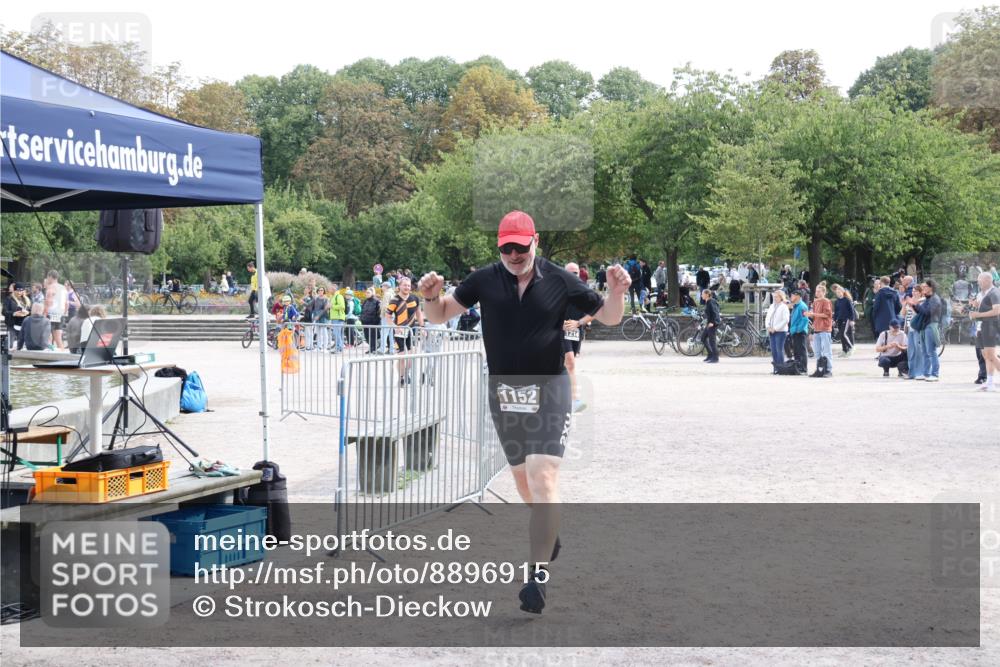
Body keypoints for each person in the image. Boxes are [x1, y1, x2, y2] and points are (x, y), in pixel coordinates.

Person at [417, 210, 628, 615]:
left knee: (542, 474)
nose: (514, 254)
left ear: (535, 243)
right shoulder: (484, 279)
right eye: (506, 248)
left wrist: (616, 292)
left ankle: (537, 575)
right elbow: (440, 314)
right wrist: (429, 296)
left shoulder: (559, 279)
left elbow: (609, 316)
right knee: (523, 483)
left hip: (550, 389)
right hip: (505, 394)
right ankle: (549, 533)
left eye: (521, 246)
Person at [562, 263, 594, 413]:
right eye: (569, 273)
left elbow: (595, 312)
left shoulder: (583, 291)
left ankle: (566, 396)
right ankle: (574, 399)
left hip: (575, 331)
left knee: (569, 364)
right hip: (559, 331)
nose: (573, 276)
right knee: (570, 362)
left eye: (575, 273)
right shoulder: (556, 290)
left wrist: (579, 323)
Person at [386, 277, 423, 385]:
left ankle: (406, 373)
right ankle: (401, 378)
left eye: (408, 285)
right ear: (399, 286)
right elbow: (387, 316)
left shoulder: (415, 298)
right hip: (399, 332)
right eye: (404, 285)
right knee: (402, 357)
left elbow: (419, 313)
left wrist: (422, 327)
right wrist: (395, 327)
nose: (407, 287)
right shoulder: (394, 300)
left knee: (411, 356)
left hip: (411, 331)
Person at [969, 272, 1000, 392]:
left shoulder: (994, 292)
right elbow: (985, 307)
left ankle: (990, 382)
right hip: (982, 326)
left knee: (991, 355)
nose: (978, 283)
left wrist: (979, 314)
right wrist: (976, 305)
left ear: (987, 280)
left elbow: (997, 310)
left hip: (990, 326)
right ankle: (990, 382)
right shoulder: (984, 293)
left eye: (980, 281)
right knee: (986, 356)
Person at [914, 279, 943, 382]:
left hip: (931, 326)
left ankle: (935, 374)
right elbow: (920, 312)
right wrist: (914, 305)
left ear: (931, 288)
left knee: (931, 351)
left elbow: (927, 312)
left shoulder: (935, 299)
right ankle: (926, 373)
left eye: (925, 287)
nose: (923, 289)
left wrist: (917, 304)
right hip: (925, 326)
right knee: (925, 351)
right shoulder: (928, 299)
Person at [806, 284, 833, 377]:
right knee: (817, 351)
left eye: (819, 291)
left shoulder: (826, 301)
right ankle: (819, 369)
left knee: (827, 351)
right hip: (817, 329)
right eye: (816, 291)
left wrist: (814, 314)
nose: (817, 293)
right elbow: (815, 316)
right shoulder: (815, 302)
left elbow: (827, 315)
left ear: (824, 292)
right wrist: (810, 315)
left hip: (825, 329)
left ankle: (828, 370)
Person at [901, 282, 926, 381]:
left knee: (918, 350)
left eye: (916, 291)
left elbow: (919, 313)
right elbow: (902, 315)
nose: (914, 292)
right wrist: (904, 305)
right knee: (910, 351)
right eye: (913, 291)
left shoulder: (922, 301)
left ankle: (920, 372)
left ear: (920, 293)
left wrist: (912, 305)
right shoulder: (910, 301)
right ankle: (911, 372)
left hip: (917, 328)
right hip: (909, 328)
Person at [765, 289, 790, 373]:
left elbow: (785, 320)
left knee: (779, 349)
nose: (775, 298)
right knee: (773, 350)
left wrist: (775, 328)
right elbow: (768, 317)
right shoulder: (772, 306)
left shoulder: (784, 307)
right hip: (771, 331)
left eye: (776, 297)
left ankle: (781, 368)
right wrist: (768, 326)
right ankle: (776, 368)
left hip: (780, 331)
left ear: (781, 297)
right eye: (774, 297)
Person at [43, 270, 67, 349]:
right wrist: (64, 313)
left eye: (47, 277)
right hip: (60, 314)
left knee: (48, 334)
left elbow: (48, 301)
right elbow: (67, 303)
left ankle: (50, 351)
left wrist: (44, 314)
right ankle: (62, 352)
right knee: (58, 337)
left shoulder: (51, 287)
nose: (47, 279)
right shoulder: (63, 287)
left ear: (50, 277)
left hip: (51, 313)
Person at [3, 283, 30, 349]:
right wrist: (14, 313)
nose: (19, 292)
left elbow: (31, 311)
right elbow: (4, 312)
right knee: (10, 345)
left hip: (23, 325)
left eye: (21, 290)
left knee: (22, 345)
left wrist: (27, 312)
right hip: (12, 325)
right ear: (14, 290)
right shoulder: (9, 299)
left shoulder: (27, 300)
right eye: (17, 290)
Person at [788, 291, 809, 375]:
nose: (791, 297)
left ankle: (804, 369)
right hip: (794, 331)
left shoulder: (802, 306)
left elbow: (805, 319)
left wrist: (798, 329)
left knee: (802, 350)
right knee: (796, 351)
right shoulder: (795, 306)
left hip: (800, 332)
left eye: (792, 295)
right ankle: (798, 367)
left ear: (798, 296)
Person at [833, 285, 856, 357]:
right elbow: (836, 312)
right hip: (839, 319)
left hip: (846, 319)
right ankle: (844, 350)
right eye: (837, 292)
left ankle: (851, 347)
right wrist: (834, 320)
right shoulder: (836, 301)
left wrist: (852, 320)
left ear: (843, 292)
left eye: (840, 292)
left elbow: (852, 311)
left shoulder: (847, 300)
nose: (838, 293)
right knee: (841, 335)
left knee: (843, 334)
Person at [360, 287, 381, 352]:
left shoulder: (377, 301)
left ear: (372, 293)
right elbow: (362, 310)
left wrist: (376, 321)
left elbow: (379, 312)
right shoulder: (365, 301)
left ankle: (373, 348)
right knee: (367, 337)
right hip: (365, 322)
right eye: (366, 292)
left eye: (368, 292)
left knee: (372, 337)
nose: (366, 294)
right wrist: (361, 318)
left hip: (373, 322)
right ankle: (372, 347)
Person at [702, 289, 720, 363]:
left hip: (712, 324)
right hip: (709, 323)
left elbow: (715, 312)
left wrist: (713, 322)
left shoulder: (711, 302)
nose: (701, 295)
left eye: (702, 294)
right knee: (703, 338)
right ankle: (710, 354)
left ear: (707, 294)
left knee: (712, 341)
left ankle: (715, 358)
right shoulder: (708, 302)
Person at [311, 286, 331, 351]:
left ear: (324, 291)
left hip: (323, 317)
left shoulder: (326, 299)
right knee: (318, 333)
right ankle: (319, 346)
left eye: (322, 290)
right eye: (319, 290)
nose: (320, 291)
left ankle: (325, 347)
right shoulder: (316, 299)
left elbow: (325, 309)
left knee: (324, 332)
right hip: (317, 317)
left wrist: (318, 316)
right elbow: (314, 308)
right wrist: (314, 316)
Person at [329, 284, 346, 353]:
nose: (329, 290)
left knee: (336, 333)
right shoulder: (333, 297)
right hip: (334, 317)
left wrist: (332, 306)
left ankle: (338, 348)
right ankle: (339, 348)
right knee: (337, 333)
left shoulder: (339, 296)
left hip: (338, 317)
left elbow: (342, 306)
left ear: (334, 289)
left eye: (331, 288)